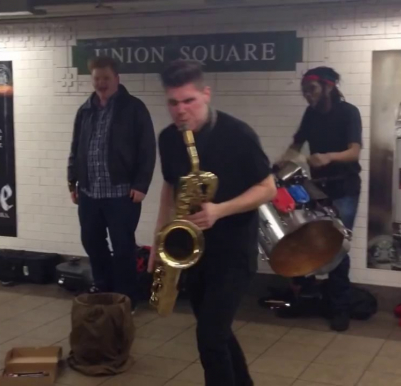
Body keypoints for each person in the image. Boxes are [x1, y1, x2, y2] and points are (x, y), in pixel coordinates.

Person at [149, 60, 276, 386]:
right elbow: (170, 188)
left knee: (209, 335)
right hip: (194, 256)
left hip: (233, 252)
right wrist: (158, 240)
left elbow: (268, 188)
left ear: (206, 93)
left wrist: (220, 210)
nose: (180, 111)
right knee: (215, 330)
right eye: (173, 102)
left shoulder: (238, 134)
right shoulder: (168, 138)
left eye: (188, 100)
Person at [67, 56, 156, 310]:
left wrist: (141, 184)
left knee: (123, 244)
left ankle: (127, 295)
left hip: (122, 193)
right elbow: (76, 148)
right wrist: (72, 180)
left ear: (117, 78)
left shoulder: (134, 108)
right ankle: (103, 285)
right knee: (91, 241)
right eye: (97, 78)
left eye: (106, 78)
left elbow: (147, 148)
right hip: (88, 192)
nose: (101, 83)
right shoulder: (85, 110)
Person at [278, 66, 363, 332]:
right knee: (308, 240)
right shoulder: (311, 114)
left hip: (344, 187)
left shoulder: (349, 112)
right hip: (316, 188)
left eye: (311, 89)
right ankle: (308, 298)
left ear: (329, 87)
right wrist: (278, 166)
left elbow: (354, 152)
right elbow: (296, 145)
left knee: (338, 246)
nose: (307, 95)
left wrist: (329, 157)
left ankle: (339, 308)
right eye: (304, 90)